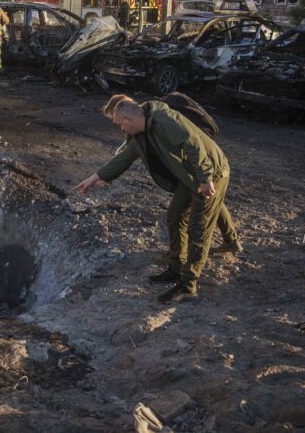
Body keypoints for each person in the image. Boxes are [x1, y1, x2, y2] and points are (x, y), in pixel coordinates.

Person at [77, 95, 239, 303]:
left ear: (128, 119)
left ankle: (188, 286)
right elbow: (126, 155)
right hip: (190, 175)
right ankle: (176, 268)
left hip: (211, 173)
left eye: (119, 124)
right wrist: (96, 177)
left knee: (199, 228)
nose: (121, 129)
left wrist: (206, 179)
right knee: (175, 216)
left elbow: (193, 144)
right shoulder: (141, 132)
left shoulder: (164, 120)